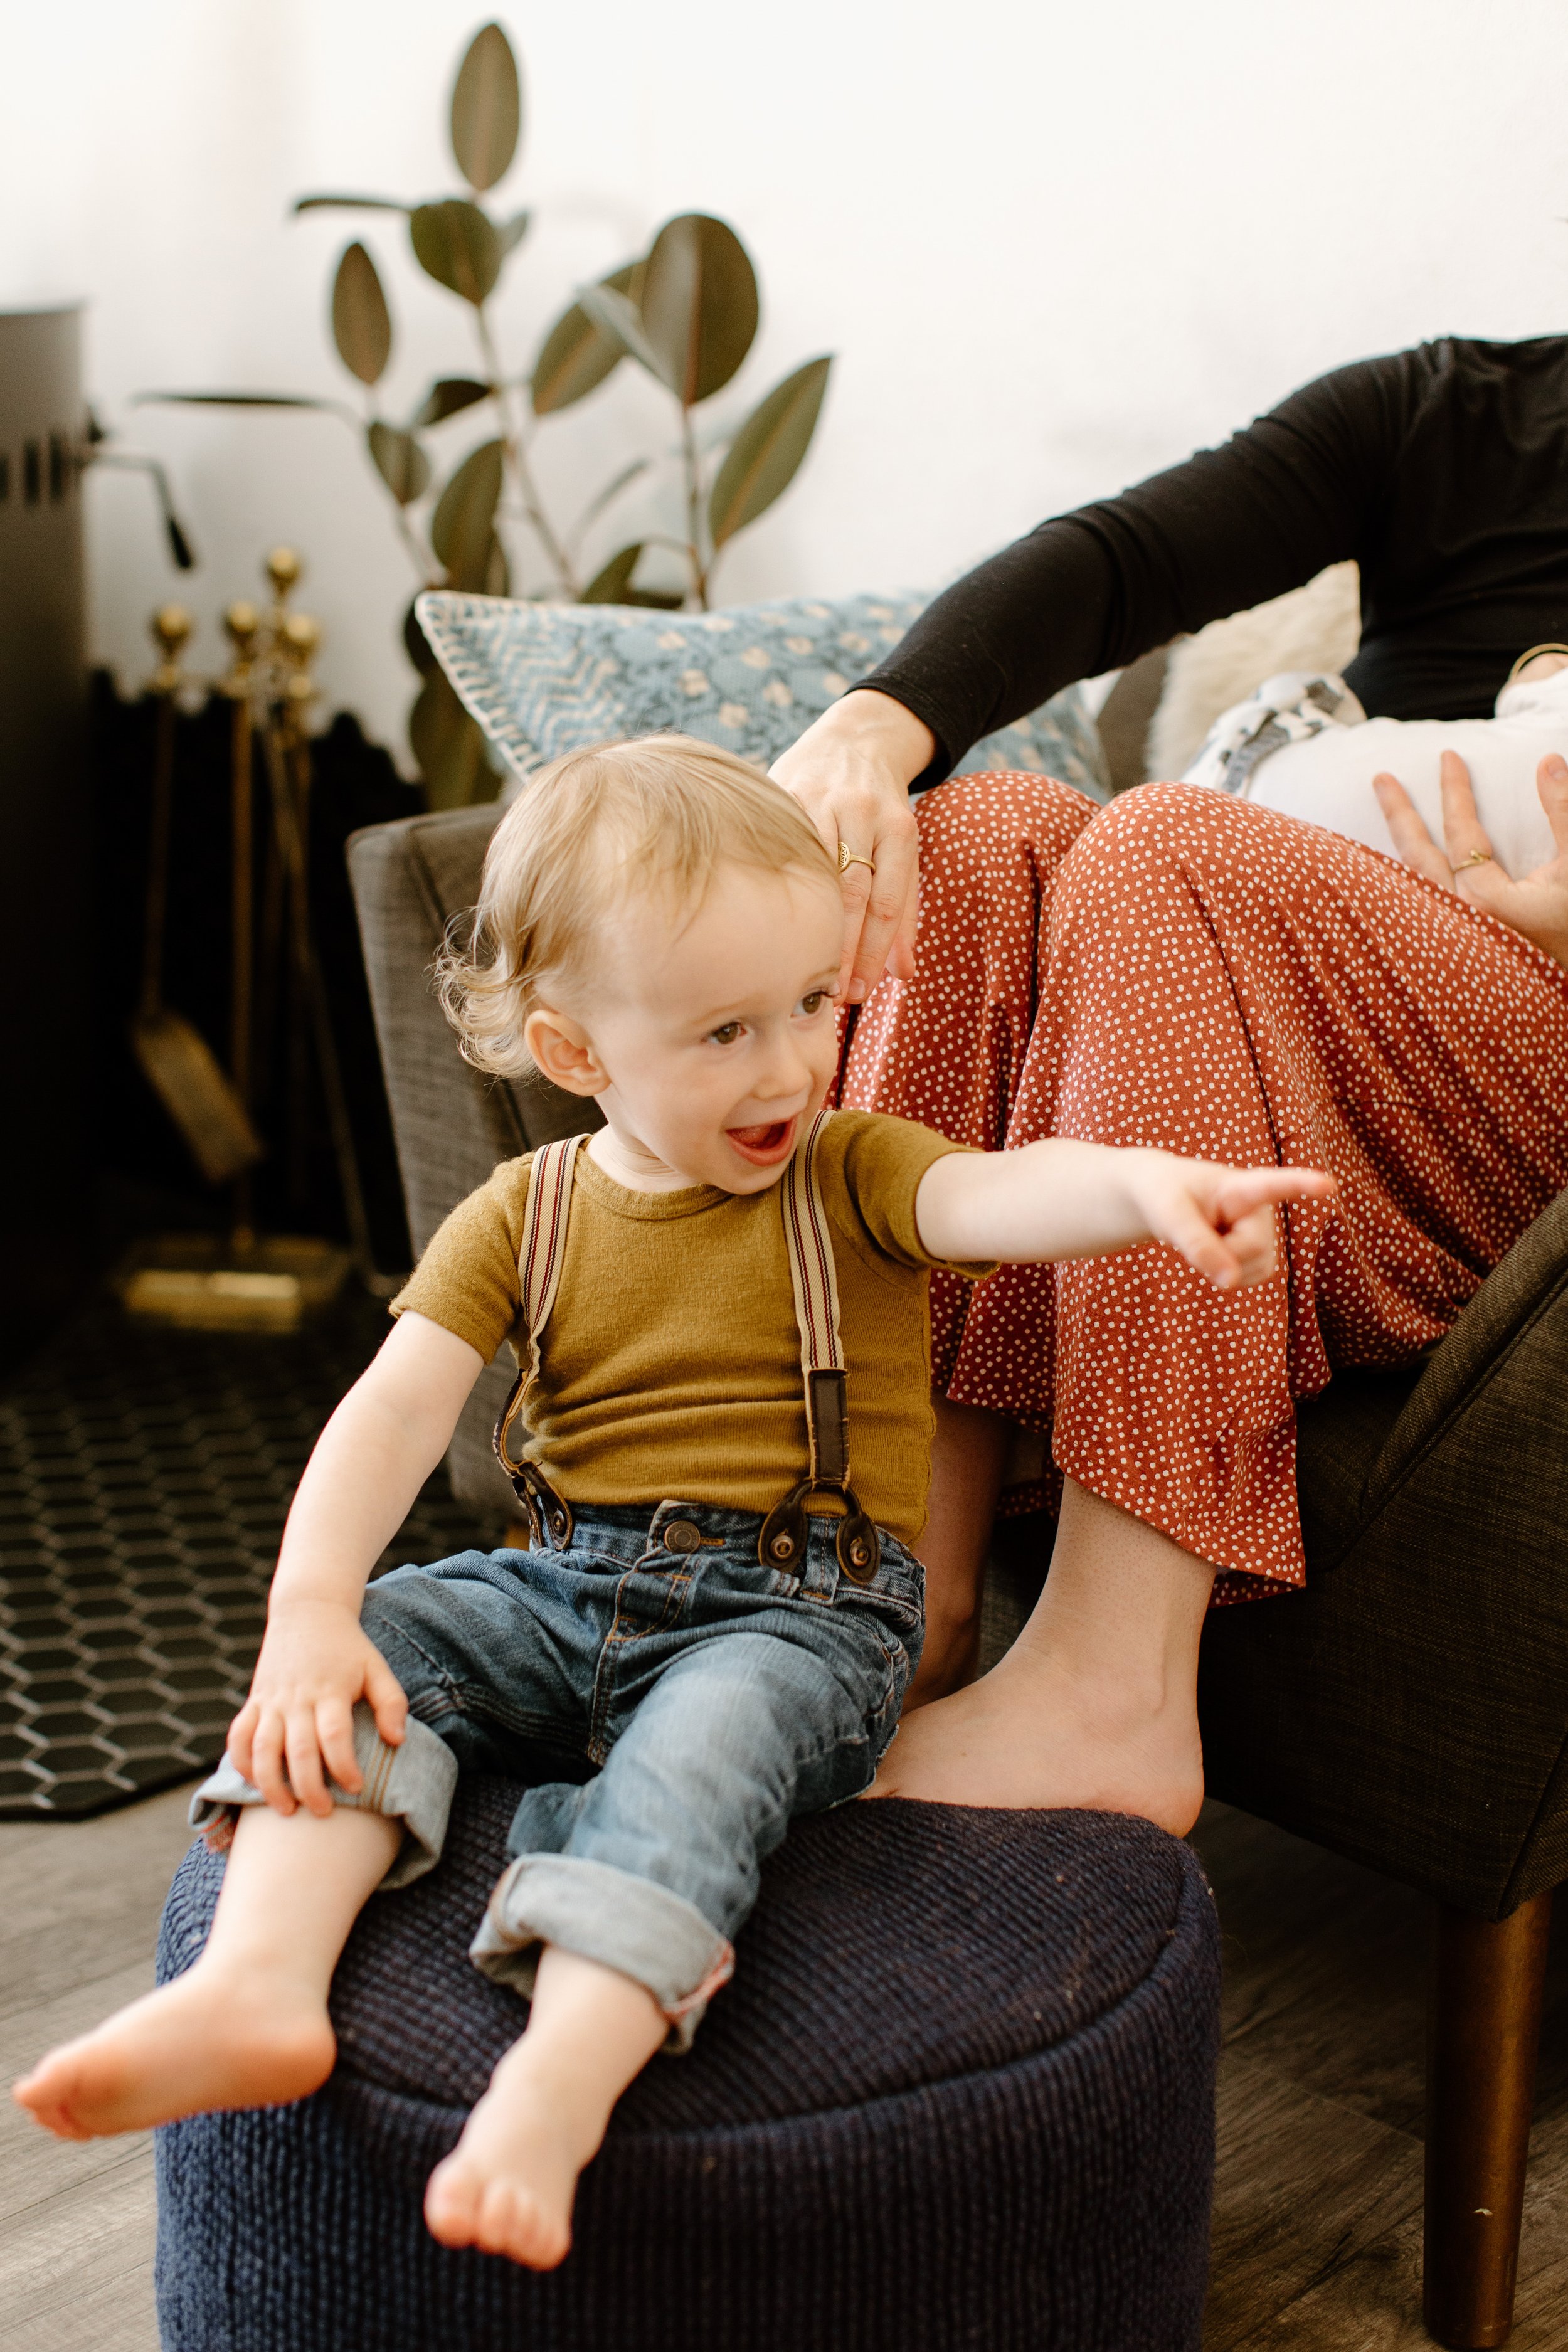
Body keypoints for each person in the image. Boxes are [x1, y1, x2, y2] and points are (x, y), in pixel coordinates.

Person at [13, 738, 1327, 2270]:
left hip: (799, 1616)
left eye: (812, 1008)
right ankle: (259, 1983)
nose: (785, 1065)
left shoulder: (849, 1174)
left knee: (700, 1759)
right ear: (574, 1053)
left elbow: (996, 1193)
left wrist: (1141, 1192)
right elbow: (392, 1411)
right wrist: (309, 1616)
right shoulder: (525, 1211)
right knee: (391, 1640)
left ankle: (563, 2075)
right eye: (721, 1030)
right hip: (563, 1587)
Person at [771, 334, 1568, 1819]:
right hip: (1289, 1012)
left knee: (1164, 848)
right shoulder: (1458, 411)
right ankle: (891, 1607)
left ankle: (1108, 1690)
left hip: (1524, 1097)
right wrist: (870, 730)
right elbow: (1117, 558)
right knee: (979, 836)